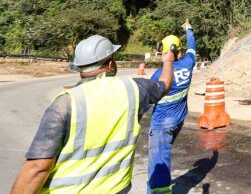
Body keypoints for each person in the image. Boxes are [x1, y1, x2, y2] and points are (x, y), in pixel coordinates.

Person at [11, 34, 174, 194]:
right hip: (116, 189)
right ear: (110, 63)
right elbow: (164, 85)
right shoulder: (134, 89)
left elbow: (37, 168)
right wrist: (168, 61)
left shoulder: (66, 103)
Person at [147, 19, 197, 194]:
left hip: (161, 126)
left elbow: (147, 101)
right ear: (178, 51)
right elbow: (192, 48)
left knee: (158, 163)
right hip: (179, 120)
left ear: (166, 52)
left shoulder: (158, 75)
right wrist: (189, 30)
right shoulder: (188, 63)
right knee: (164, 155)